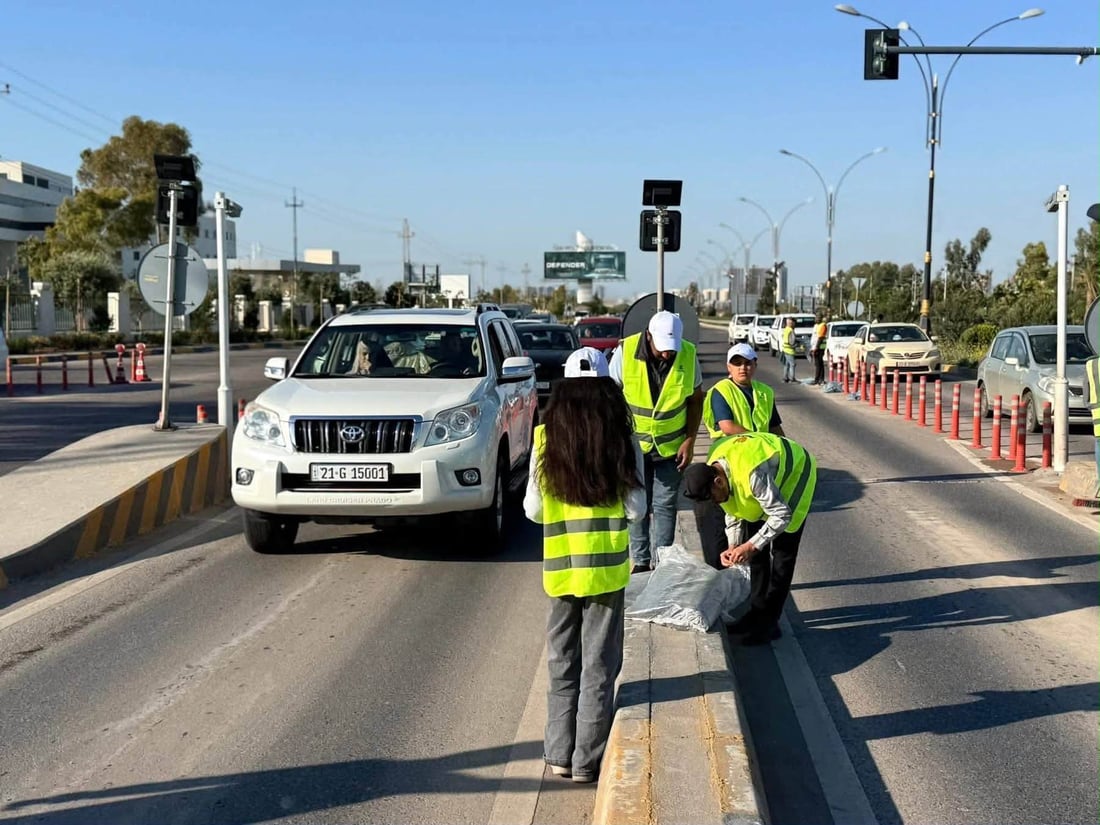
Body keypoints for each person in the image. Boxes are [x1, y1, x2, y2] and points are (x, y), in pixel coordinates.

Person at [523, 346, 647, 784]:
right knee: (599, 665)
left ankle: (557, 754)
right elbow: (637, 510)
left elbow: (534, 512)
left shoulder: (544, 438)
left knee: (562, 663)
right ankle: (586, 761)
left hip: (560, 570)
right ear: (606, 390)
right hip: (608, 570)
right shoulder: (621, 439)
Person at [682, 431, 816, 646]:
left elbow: (782, 514)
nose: (715, 503)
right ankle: (755, 614)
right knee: (756, 556)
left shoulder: (752, 475)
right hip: (763, 486)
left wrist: (751, 545)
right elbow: (732, 510)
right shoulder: (714, 468)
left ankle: (769, 625)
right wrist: (735, 544)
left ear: (717, 481)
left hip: (795, 475)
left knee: (782, 555)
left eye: (712, 497)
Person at [608, 310, 705, 573]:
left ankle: (663, 562)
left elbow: (696, 400)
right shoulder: (625, 352)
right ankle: (640, 561)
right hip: (633, 447)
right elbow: (609, 395)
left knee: (665, 505)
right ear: (648, 336)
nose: (667, 354)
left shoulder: (687, 353)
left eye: (670, 349)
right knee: (637, 504)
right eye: (662, 348)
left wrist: (690, 440)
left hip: (671, 448)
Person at [697, 342, 785, 569]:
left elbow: (775, 428)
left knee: (756, 525)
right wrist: (761, 440)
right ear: (729, 367)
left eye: (747, 363)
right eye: (737, 363)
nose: (742, 368)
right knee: (730, 519)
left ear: (755, 365)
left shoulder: (764, 392)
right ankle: (729, 565)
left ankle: (750, 575)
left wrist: (784, 450)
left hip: (757, 464)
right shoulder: (721, 391)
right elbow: (727, 426)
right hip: (729, 467)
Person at [1086, 352, 1100, 485]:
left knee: (1099, 442)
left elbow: (1086, 392)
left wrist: (1090, 406)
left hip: (1097, 410)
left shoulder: (1091, 364)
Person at [811, 311, 829, 385]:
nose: (816, 319)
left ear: (821, 318)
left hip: (820, 347)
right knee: (819, 364)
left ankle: (818, 379)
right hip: (815, 346)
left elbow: (820, 338)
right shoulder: (816, 326)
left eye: (818, 317)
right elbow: (814, 337)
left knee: (818, 364)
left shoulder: (823, 325)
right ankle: (820, 379)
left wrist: (816, 347)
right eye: (816, 317)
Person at [780, 316, 797, 383]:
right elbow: (792, 341)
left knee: (786, 365)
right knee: (792, 364)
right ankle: (792, 378)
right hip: (790, 350)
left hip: (785, 349)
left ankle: (785, 378)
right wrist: (796, 344)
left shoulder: (786, 329)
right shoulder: (790, 330)